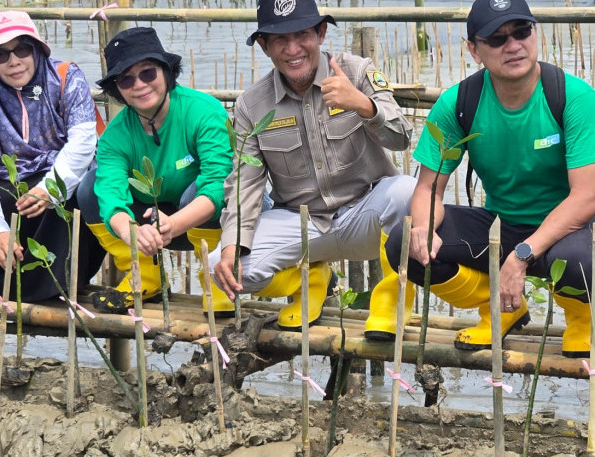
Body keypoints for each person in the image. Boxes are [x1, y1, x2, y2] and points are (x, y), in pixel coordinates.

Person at [383, 0, 595, 357]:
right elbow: (427, 189)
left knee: (579, 263)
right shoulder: (459, 102)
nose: (513, 46)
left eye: (521, 32)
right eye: (496, 39)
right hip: (502, 226)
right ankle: (500, 310)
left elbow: (586, 197)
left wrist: (523, 255)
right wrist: (424, 230)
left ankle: (582, 320)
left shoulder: (574, 98)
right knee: (404, 243)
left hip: (569, 229)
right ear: (474, 50)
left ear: (534, 33)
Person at [210, 0, 415, 332]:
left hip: (366, 214)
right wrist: (232, 247)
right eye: (279, 39)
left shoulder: (357, 71)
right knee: (218, 268)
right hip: (303, 225)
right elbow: (244, 184)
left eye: (302, 34)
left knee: (407, 192)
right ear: (264, 46)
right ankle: (311, 280)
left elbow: (402, 137)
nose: (293, 49)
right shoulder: (252, 105)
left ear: (320, 33)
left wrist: (363, 105)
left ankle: (391, 304)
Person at [77, 27, 235, 317]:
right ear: (117, 89)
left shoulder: (204, 111)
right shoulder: (114, 136)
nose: (139, 85)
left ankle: (217, 280)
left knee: (202, 191)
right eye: (126, 79)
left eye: (147, 73)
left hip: (200, 216)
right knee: (88, 188)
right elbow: (111, 197)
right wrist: (130, 233)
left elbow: (217, 185)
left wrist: (172, 224)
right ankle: (144, 277)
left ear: (167, 72)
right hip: (150, 225)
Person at [0, 11, 104, 302]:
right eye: (0, 55)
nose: (14, 61)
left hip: (64, 173)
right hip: (11, 178)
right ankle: (12, 281)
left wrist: (49, 190)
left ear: (36, 49)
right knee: (8, 199)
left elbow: (83, 142)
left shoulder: (65, 78)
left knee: (72, 197)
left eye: (21, 49)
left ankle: (66, 284)